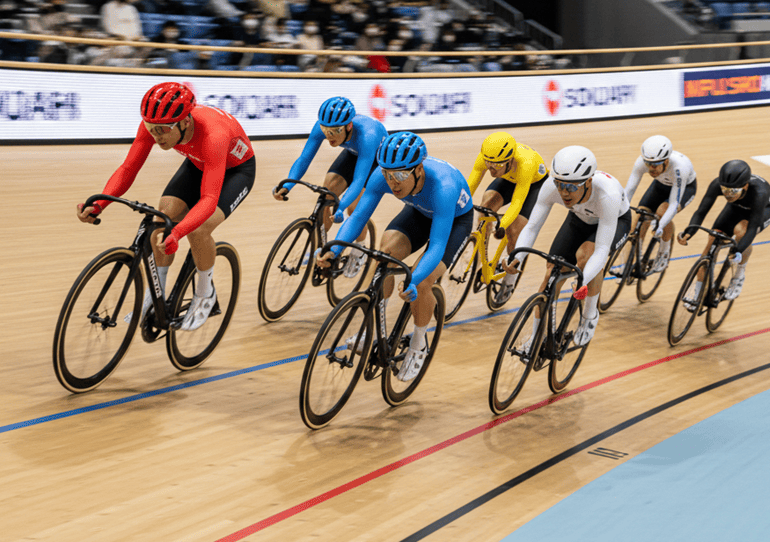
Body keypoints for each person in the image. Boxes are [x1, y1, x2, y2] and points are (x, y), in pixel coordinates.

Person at [76, 82, 256, 330]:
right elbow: (128, 169)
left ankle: (205, 294)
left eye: (162, 130)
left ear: (185, 122)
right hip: (198, 162)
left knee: (198, 229)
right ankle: (155, 296)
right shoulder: (156, 124)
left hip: (236, 171)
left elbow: (208, 200)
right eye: (151, 128)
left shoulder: (214, 135)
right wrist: (99, 204)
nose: (155, 135)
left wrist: (179, 233)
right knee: (162, 219)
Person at [317, 131, 474, 381]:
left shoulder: (443, 187)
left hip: (454, 222)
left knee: (422, 281)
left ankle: (419, 344)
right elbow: (358, 217)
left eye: (400, 175)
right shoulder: (382, 177)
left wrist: (413, 279)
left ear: (418, 170)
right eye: (388, 175)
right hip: (419, 213)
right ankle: (372, 330)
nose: (393, 182)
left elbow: (436, 246)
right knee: (384, 256)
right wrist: (334, 250)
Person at [503, 146, 630, 349]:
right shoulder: (551, 187)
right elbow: (533, 227)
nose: (563, 192)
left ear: (588, 182)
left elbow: (601, 250)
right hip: (579, 218)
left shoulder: (608, 196)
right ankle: (536, 337)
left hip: (614, 222)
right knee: (551, 275)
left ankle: (589, 316)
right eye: (559, 184)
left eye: (570, 187)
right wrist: (518, 256)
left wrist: (582, 279)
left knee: (586, 257)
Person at [274, 97, 387, 267]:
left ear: (349, 126)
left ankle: (360, 250)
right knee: (326, 193)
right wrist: (287, 185)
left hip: (376, 160)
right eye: (325, 130)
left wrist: (341, 206)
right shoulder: (325, 126)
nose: (329, 135)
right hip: (354, 152)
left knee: (354, 207)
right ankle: (320, 248)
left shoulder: (368, 135)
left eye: (334, 131)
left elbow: (358, 181)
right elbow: (304, 159)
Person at [677, 160, 770, 310]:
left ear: (745, 186)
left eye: (732, 191)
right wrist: (690, 232)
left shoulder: (759, 192)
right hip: (735, 207)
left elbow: (752, 228)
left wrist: (738, 250)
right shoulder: (718, 185)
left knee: (741, 232)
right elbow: (701, 212)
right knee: (712, 240)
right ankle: (697, 291)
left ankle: (739, 275)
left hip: (762, 211)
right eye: (725, 190)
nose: (727, 195)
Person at [466, 131, 548, 305]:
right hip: (508, 179)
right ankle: (482, 258)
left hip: (533, 185)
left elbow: (517, 203)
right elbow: (469, 186)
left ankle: (510, 280)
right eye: (489, 164)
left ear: (510, 160)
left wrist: (502, 224)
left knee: (514, 229)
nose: (491, 169)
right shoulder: (487, 158)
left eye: (496, 165)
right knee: (485, 207)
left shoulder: (525, 163)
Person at [622, 135, 697, 275]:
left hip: (685, 188)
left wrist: (660, 226)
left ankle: (664, 253)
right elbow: (629, 190)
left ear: (666, 161)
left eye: (655, 165)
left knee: (662, 212)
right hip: (660, 185)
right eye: (648, 164)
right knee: (640, 216)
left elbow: (674, 203)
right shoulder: (641, 162)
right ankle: (635, 259)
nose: (651, 169)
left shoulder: (680, 168)